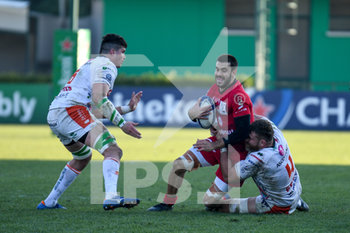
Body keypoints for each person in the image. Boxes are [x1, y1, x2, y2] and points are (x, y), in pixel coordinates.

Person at [37, 34, 143, 210]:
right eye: (123, 52)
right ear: (112, 51)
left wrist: (126, 109)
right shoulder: (107, 65)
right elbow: (98, 98)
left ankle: (49, 202)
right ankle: (111, 197)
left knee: (83, 157)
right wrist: (123, 124)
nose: (124, 56)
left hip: (57, 113)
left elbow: (92, 111)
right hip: (70, 112)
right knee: (112, 150)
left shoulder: (91, 63)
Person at [148, 54, 254, 211]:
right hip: (217, 144)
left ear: (233, 72)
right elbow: (198, 114)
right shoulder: (215, 89)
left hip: (235, 155)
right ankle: (167, 203)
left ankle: (252, 202)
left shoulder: (239, 97)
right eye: (217, 69)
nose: (218, 74)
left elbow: (244, 132)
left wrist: (219, 143)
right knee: (179, 164)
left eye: (223, 70)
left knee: (209, 203)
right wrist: (194, 115)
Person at [199, 117, 309, 214]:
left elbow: (229, 177)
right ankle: (296, 201)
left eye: (250, 138)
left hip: (276, 204)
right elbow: (252, 116)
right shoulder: (274, 132)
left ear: (262, 143)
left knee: (212, 204)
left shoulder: (260, 158)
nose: (245, 139)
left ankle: (291, 204)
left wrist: (222, 145)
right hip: (294, 189)